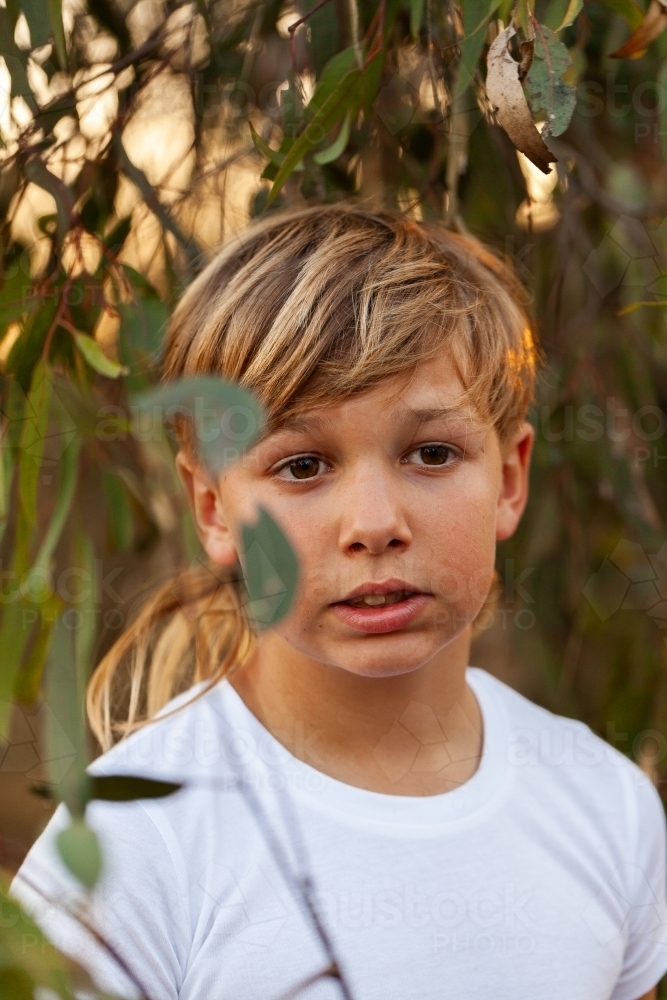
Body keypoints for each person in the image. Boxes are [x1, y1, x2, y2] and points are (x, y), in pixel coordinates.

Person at [11, 203, 667, 1000]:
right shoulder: (125, 852)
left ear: (510, 477)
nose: (374, 525)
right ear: (214, 507)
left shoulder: (605, 806)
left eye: (430, 453)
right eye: (301, 466)